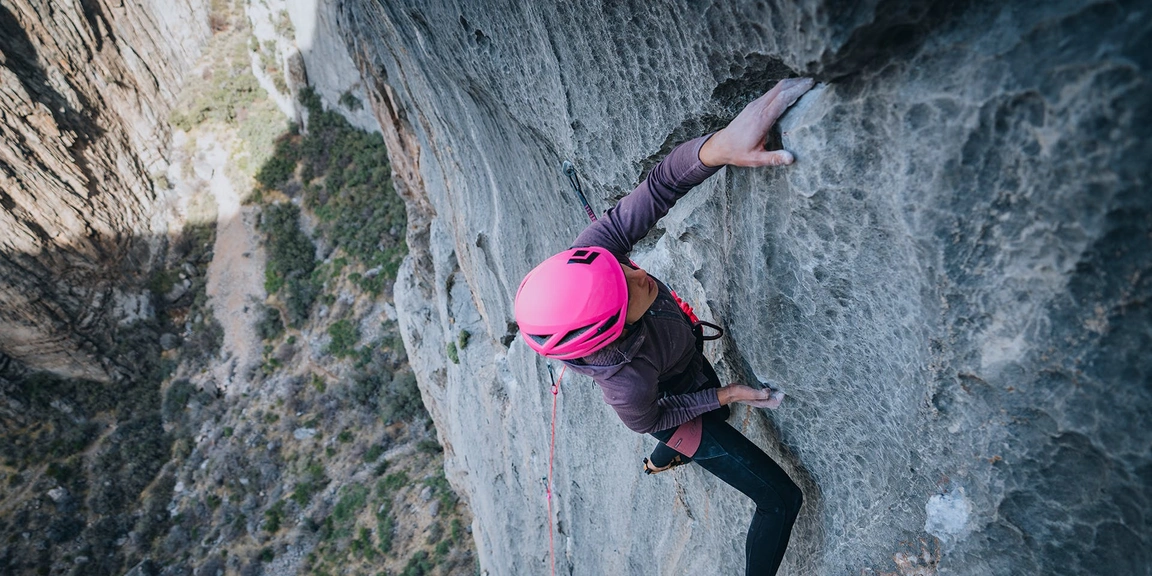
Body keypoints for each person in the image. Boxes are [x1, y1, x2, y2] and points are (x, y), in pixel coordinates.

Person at [514, 77, 815, 576]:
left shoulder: (596, 259)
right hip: (669, 411)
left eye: (622, 270)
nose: (637, 274)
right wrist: (726, 396)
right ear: (612, 335)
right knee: (780, 499)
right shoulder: (626, 385)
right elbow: (651, 417)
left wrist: (720, 146)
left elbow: (661, 185)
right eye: (628, 292)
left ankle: (661, 460)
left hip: (682, 366)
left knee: (714, 407)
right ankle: (672, 455)